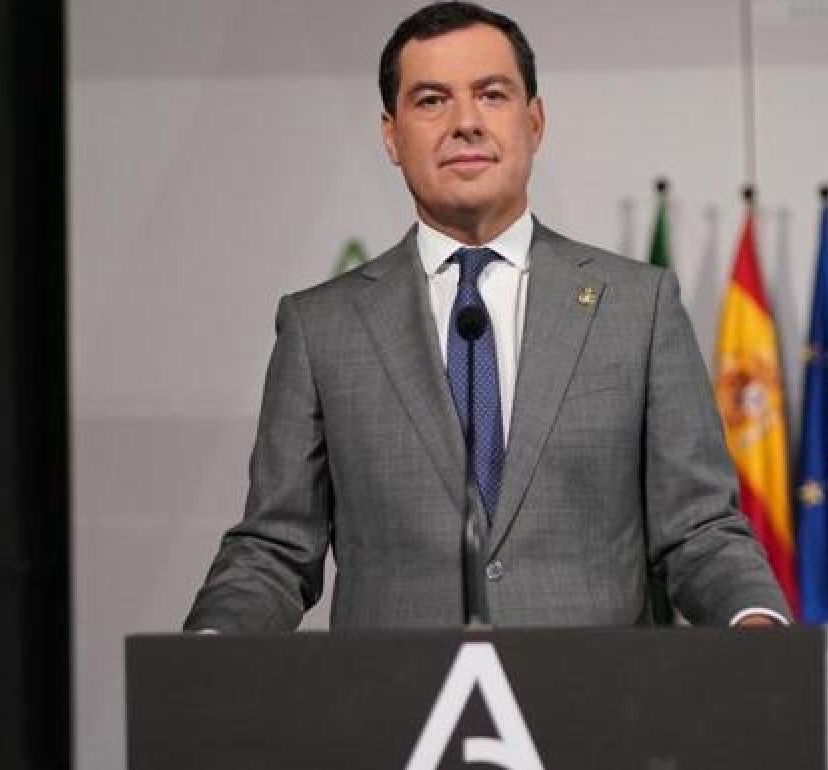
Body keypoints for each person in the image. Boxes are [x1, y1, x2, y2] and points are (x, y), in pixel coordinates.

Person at [184, 2, 789, 632]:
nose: (466, 123)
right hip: (400, 690)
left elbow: (699, 529)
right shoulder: (321, 327)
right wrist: (210, 642)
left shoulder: (638, 306)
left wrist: (755, 622)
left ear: (535, 121)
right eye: (431, 101)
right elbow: (275, 550)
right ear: (391, 136)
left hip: (592, 689)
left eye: (492, 95)